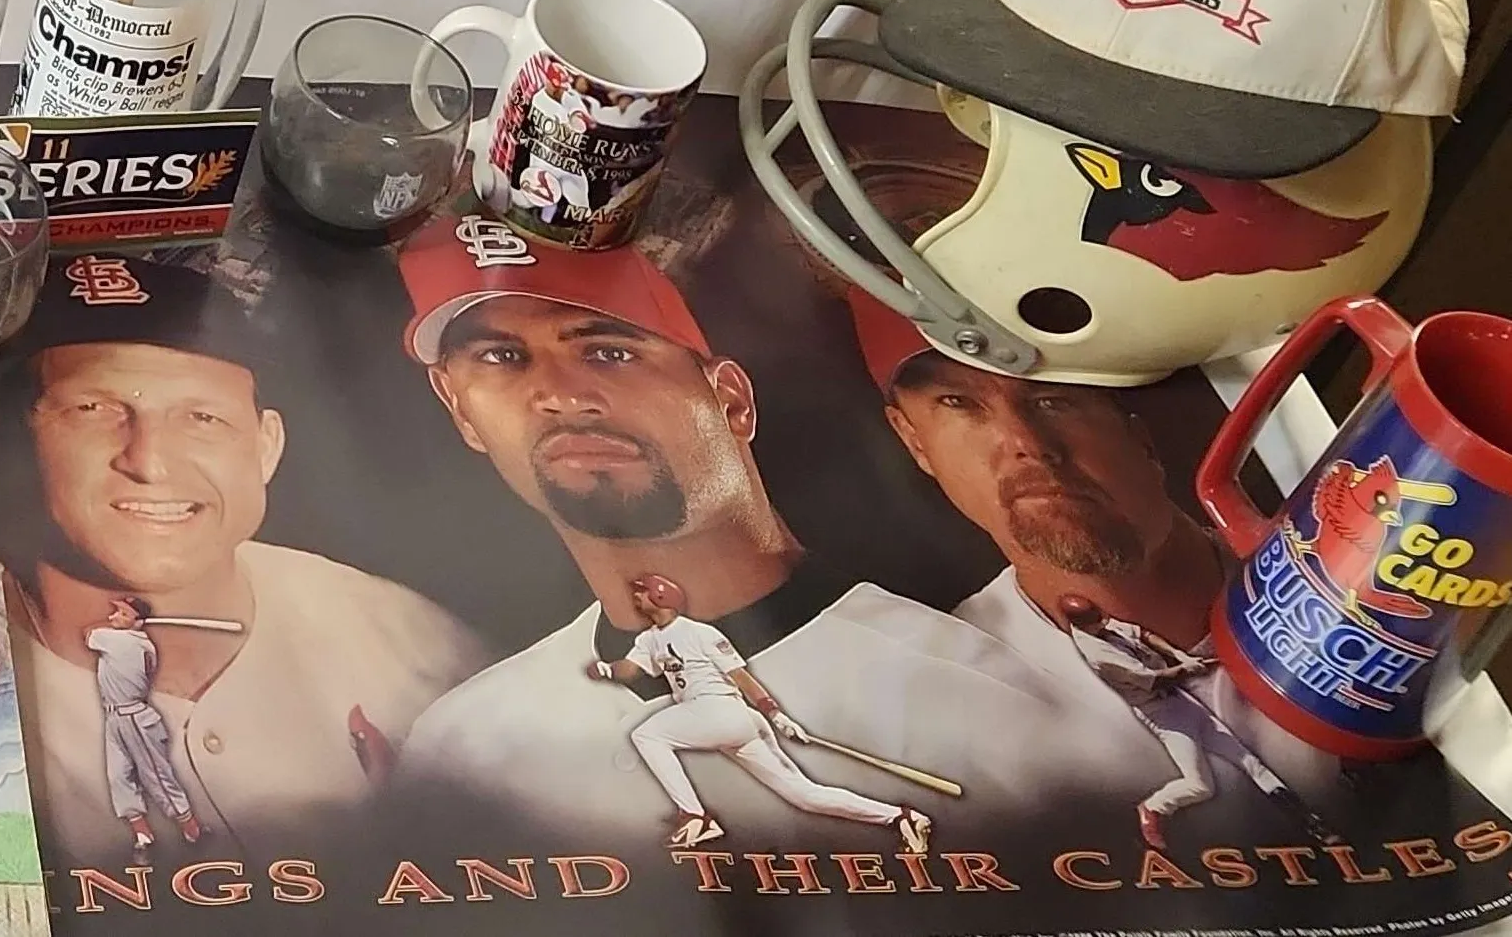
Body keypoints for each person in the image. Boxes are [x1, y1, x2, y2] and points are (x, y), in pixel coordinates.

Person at [395, 217, 1078, 845]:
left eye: (608, 352)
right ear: (460, 411)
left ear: (730, 399)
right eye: (501, 359)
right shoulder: (461, 747)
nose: (560, 395)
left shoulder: (1001, 702)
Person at [0, 252, 484, 861]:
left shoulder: (414, 644)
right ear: (1, 429)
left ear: (267, 447)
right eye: (94, 410)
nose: (150, 462)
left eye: (203, 417)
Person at [850, 291, 1339, 830]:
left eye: (1051, 398)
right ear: (914, 442)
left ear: (1136, 433)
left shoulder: (1347, 568)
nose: (1026, 443)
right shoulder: (944, 702)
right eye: (958, 403)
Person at [591, 573, 929, 853]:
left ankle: (695, 817)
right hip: (723, 720)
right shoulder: (649, 640)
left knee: (647, 735)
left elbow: (741, 677)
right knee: (804, 795)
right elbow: (631, 669)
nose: (637, 598)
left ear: (661, 597)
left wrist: (776, 714)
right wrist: (608, 670)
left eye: (642, 592)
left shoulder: (700, 633)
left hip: (719, 709)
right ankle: (901, 817)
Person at [1054, 594, 1329, 852]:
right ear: (1081, 625)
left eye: (1101, 617)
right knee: (1201, 786)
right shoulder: (1097, 653)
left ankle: (1309, 821)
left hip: (1181, 701)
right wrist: (1187, 670)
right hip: (1161, 713)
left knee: (1250, 762)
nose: (1104, 623)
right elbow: (1156, 680)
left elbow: (1142, 634)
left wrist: (1179, 654)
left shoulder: (1100, 624)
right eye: (1096, 622)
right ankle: (1154, 807)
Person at [84, 596, 204, 852]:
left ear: (138, 622)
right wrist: (129, 622)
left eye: (122, 613)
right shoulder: (136, 641)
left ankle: (191, 827)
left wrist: (124, 625)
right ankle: (142, 832)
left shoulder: (121, 641)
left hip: (134, 718)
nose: (112, 617)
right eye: (116, 611)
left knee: (156, 776)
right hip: (115, 717)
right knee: (118, 776)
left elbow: (89, 634)